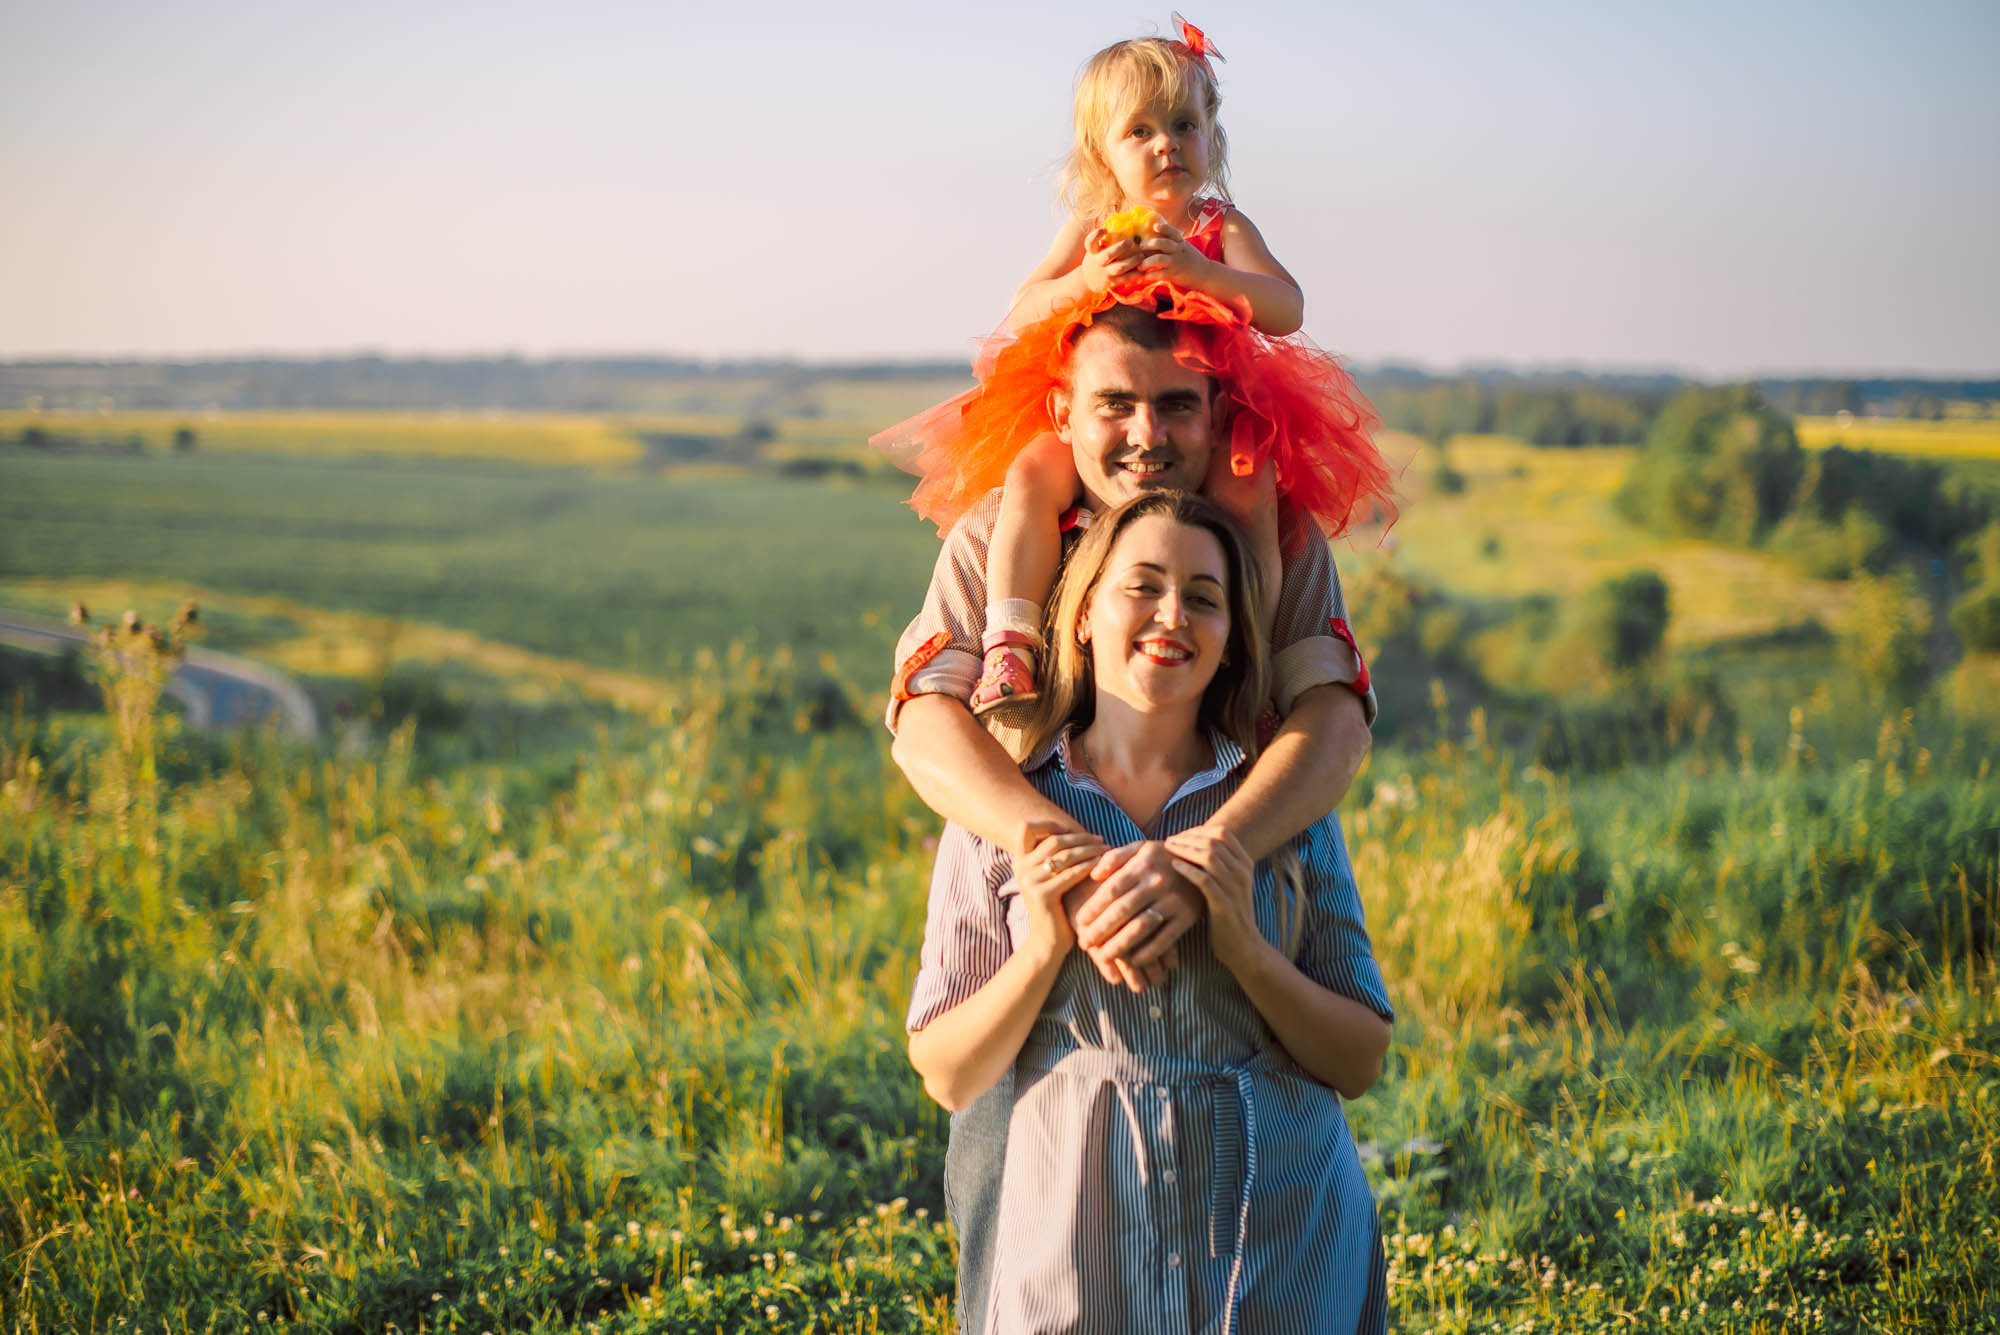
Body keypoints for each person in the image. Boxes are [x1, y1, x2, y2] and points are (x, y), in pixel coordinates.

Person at [886, 300, 1375, 1332]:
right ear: (1062, 411)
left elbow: (1333, 721)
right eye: (1116, 404)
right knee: (1020, 1234)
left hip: (1234, 857)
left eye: (1177, 406)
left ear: (1217, 414)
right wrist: (1046, 845)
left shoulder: (1267, 538)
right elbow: (924, 723)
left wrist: (1216, 852)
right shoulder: (994, 536)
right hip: (1040, 932)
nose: (1147, 435)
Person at [873, 16, 1393, 716]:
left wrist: (1202, 271)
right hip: (1103, 412)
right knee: (1031, 474)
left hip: (1216, 412)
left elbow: (1285, 307)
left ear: (1213, 138)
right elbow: (1021, 314)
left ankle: (1254, 654)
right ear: (1102, 155)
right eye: (1140, 132)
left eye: (1184, 126)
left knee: (1251, 491)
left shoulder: (1220, 227)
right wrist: (1084, 280)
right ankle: (1011, 644)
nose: (1166, 146)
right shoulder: (1092, 229)